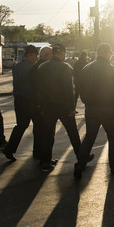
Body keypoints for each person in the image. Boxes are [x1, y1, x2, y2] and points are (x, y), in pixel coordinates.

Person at [75, 43, 114, 178]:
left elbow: (80, 86)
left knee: (89, 137)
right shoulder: (108, 68)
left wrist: (86, 101)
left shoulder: (87, 67)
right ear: (106, 53)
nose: (110, 56)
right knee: (112, 137)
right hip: (106, 108)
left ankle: (79, 166)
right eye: (109, 53)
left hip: (91, 108)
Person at [34, 43, 86, 172]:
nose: (65, 55)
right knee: (73, 132)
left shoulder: (42, 67)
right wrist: (71, 107)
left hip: (47, 106)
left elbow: (38, 88)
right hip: (63, 105)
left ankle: (46, 162)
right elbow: (68, 89)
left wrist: (41, 105)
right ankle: (81, 157)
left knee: (48, 134)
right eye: (64, 53)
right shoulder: (64, 67)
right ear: (61, 52)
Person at [2, 45, 39, 161]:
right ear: (30, 55)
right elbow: (33, 86)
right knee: (38, 126)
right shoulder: (31, 68)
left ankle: (9, 149)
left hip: (19, 100)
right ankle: (37, 152)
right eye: (35, 56)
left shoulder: (17, 66)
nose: (36, 58)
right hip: (30, 100)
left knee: (21, 126)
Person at [30, 46, 52, 163]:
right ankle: (45, 158)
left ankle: (37, 152)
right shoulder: (44, 67)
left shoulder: (34, 67)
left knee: (38, 129)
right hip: (43, 103)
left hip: (34, 102)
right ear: (47, 55)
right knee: (46, 132)